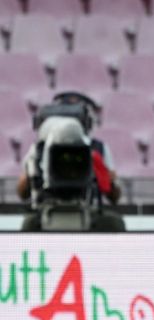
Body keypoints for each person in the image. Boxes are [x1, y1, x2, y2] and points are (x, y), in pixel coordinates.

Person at [16, 92, 125, 232]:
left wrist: (106, 178)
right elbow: (23, 192)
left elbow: (114, 195)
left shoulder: (97, 150)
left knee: (114, 224)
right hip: (48, 213)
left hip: (85, 213)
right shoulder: (38, 150)